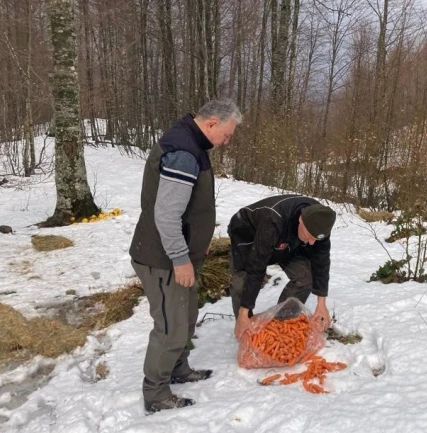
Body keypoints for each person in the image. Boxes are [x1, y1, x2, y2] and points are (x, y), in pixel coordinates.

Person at [129, 98, 242, 414]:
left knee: (185, 317)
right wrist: (180, 258)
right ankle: (155, 393)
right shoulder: (184, 153)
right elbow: (165, 215)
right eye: (227, 134)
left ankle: (178, 369)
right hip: (163, 259)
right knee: (170, 326)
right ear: (211, 124)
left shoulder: (190, 143)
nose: (226, 141)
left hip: (179, 256)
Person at [227, 195, 336, 340]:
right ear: (300, 220)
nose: (311, 243)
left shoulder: (320, 223)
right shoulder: (273, 218)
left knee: (305, 278)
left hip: (289, 240)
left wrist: (321, 303)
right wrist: (244, 312)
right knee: (242, 283)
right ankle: (246, 328)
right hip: (249, 236)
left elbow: (321, 261)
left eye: (315, 239)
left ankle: (279, 323)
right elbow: (256, 266)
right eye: (309, 236)